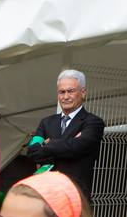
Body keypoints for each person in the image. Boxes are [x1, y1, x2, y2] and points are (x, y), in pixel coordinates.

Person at [25, 69, 105, 201]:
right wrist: (68, 144)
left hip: (74, 195)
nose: (65, 96)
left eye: (71, 91)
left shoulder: (93, 122)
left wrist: (47, 144)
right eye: (62, 92)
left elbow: (78, 147)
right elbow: (32, 152)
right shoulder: (46, 122)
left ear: (83, 93)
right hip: (46, 193)